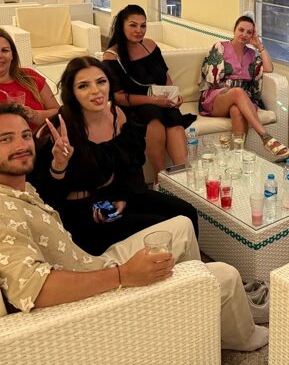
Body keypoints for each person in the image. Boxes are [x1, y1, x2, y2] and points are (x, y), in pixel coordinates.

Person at [0, 102, 268, 352]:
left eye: (25, 135)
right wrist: (123, 275)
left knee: (181, 225)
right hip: (90, 299)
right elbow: (35, 288)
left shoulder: (20, 188)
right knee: (225, 275)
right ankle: (242, 334)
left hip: (88, 264)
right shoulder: (3, 210)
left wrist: (60, 166)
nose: (21, 145)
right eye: (6, 139)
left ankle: (198, 309)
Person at [30, 56, 199, 255]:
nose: (95, 91)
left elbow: (131, 164)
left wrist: (122, 196)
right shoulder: (58, 128)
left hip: (116, 195)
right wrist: (59, 166)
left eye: (101, 82)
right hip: (79, 209)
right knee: (164, 228)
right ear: (72, 92)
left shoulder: (117, 114)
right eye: (83, 86)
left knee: (186, 212)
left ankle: (190, 269)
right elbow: (43, 194)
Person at [103, 5, 192, 180]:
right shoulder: (112, 56)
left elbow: (165, 76)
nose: (139, 30)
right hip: (134, 107)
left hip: (160, 102)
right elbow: (118, 97)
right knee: (153, 115)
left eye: (143, 26)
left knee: (173, 116)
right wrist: (152, 101)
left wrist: (173, 95)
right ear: (122, 26)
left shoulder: (150, 45)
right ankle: (161, 179)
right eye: (133, 25)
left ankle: (182, 177)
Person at [199, 12, 289, 158]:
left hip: (242, 100)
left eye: (249, 32)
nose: (244, 35)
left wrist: (259, 46)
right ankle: (265, 137)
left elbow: (268, 68)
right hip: (217, 98)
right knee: (237, 92)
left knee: (237, 110)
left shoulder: (252, 54)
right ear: (234, 30)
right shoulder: (220, 47)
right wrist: (232, 91)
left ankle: (238, 156)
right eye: (241, 30)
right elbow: (212, 79)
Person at [0, 27, 59, 131]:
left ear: (13, 55)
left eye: (5, 50)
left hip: (42, 139)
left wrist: (35, 115)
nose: (0, 56)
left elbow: (58, 111)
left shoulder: (30, 76)